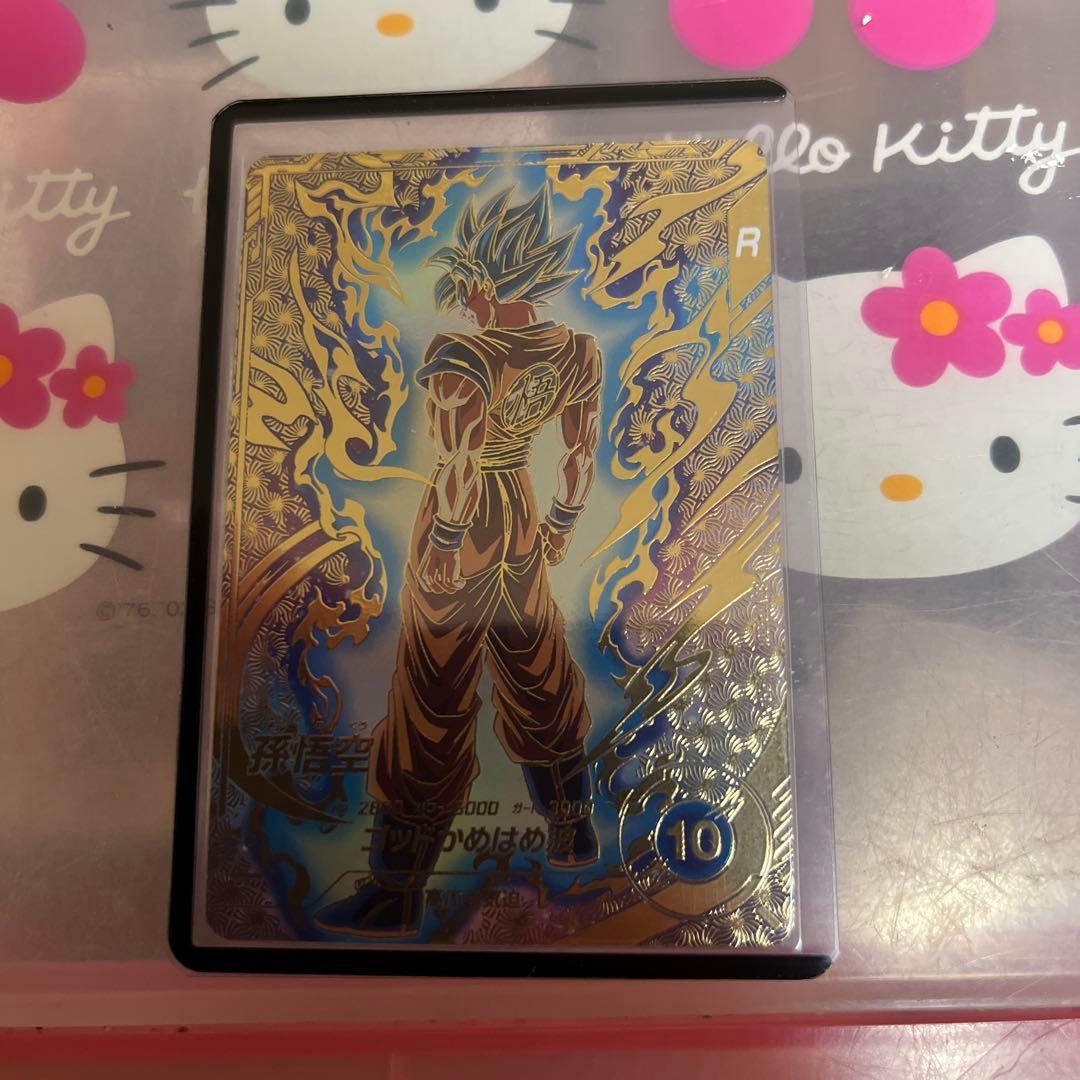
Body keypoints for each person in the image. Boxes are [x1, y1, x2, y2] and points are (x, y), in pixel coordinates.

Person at [316, 187, 603, 938]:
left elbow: (460, 460)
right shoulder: (576, 351)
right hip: (521, 515)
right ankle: (574, 832)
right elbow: (578, 455)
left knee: (432, 694)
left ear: (487, 279)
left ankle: (396, 891)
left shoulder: (462, 353)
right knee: (537, 666)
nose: (464, 297)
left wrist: (445, 542)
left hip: (465, 516)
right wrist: (560, 523)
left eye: (468, 281)